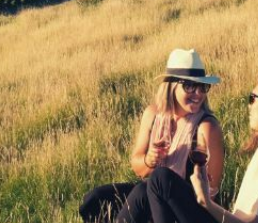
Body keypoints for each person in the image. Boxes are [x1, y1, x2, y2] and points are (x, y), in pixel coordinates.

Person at [145, 73, 258, 223]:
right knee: (146, 188)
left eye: (252, 99)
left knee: (161, 180)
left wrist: (206, 202)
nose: (248, 106)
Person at [79, 48, 225, 223]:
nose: (198, 93)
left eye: (203, 87)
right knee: (95, 199)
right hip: (154, 192)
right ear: (171, 86)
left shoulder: (207, 127)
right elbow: (137, 167)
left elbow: (211, 196)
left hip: (188, 209)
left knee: (146, 188)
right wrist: (150, 159)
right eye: (190, 86)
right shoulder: (153, 115)